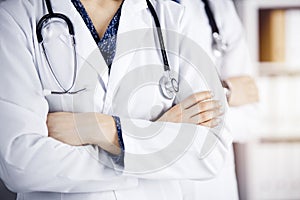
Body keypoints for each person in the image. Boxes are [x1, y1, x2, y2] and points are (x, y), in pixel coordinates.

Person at [0, 0, 232, 199]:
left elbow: (210, 151)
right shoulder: (15, 17)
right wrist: (154, 141)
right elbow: (20, 162)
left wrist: (104, 129)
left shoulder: (175, 18)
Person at [169, 0, 259, 199]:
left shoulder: (217, 6)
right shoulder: (123, 9)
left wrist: (178, 115)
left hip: (213, 186)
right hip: (147, 182)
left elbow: (249, 116)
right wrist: (223, 92)